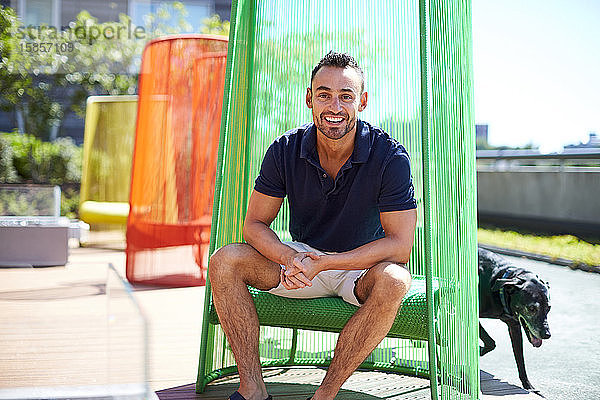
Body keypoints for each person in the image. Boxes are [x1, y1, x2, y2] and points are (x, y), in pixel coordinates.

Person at [209, 51, 418, 400]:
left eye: (345, 96)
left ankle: (325, 394)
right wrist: (288, 256)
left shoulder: (389, 156)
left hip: (361, 267)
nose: (334, 106)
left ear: (361, 102)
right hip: (302, 263)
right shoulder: (284, 149)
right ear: (309, 98)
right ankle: (253, 390)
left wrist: (329, 262)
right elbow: (255, 223)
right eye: (324, 94)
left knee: (396, 279)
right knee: (225, 260)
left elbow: (400, 245)